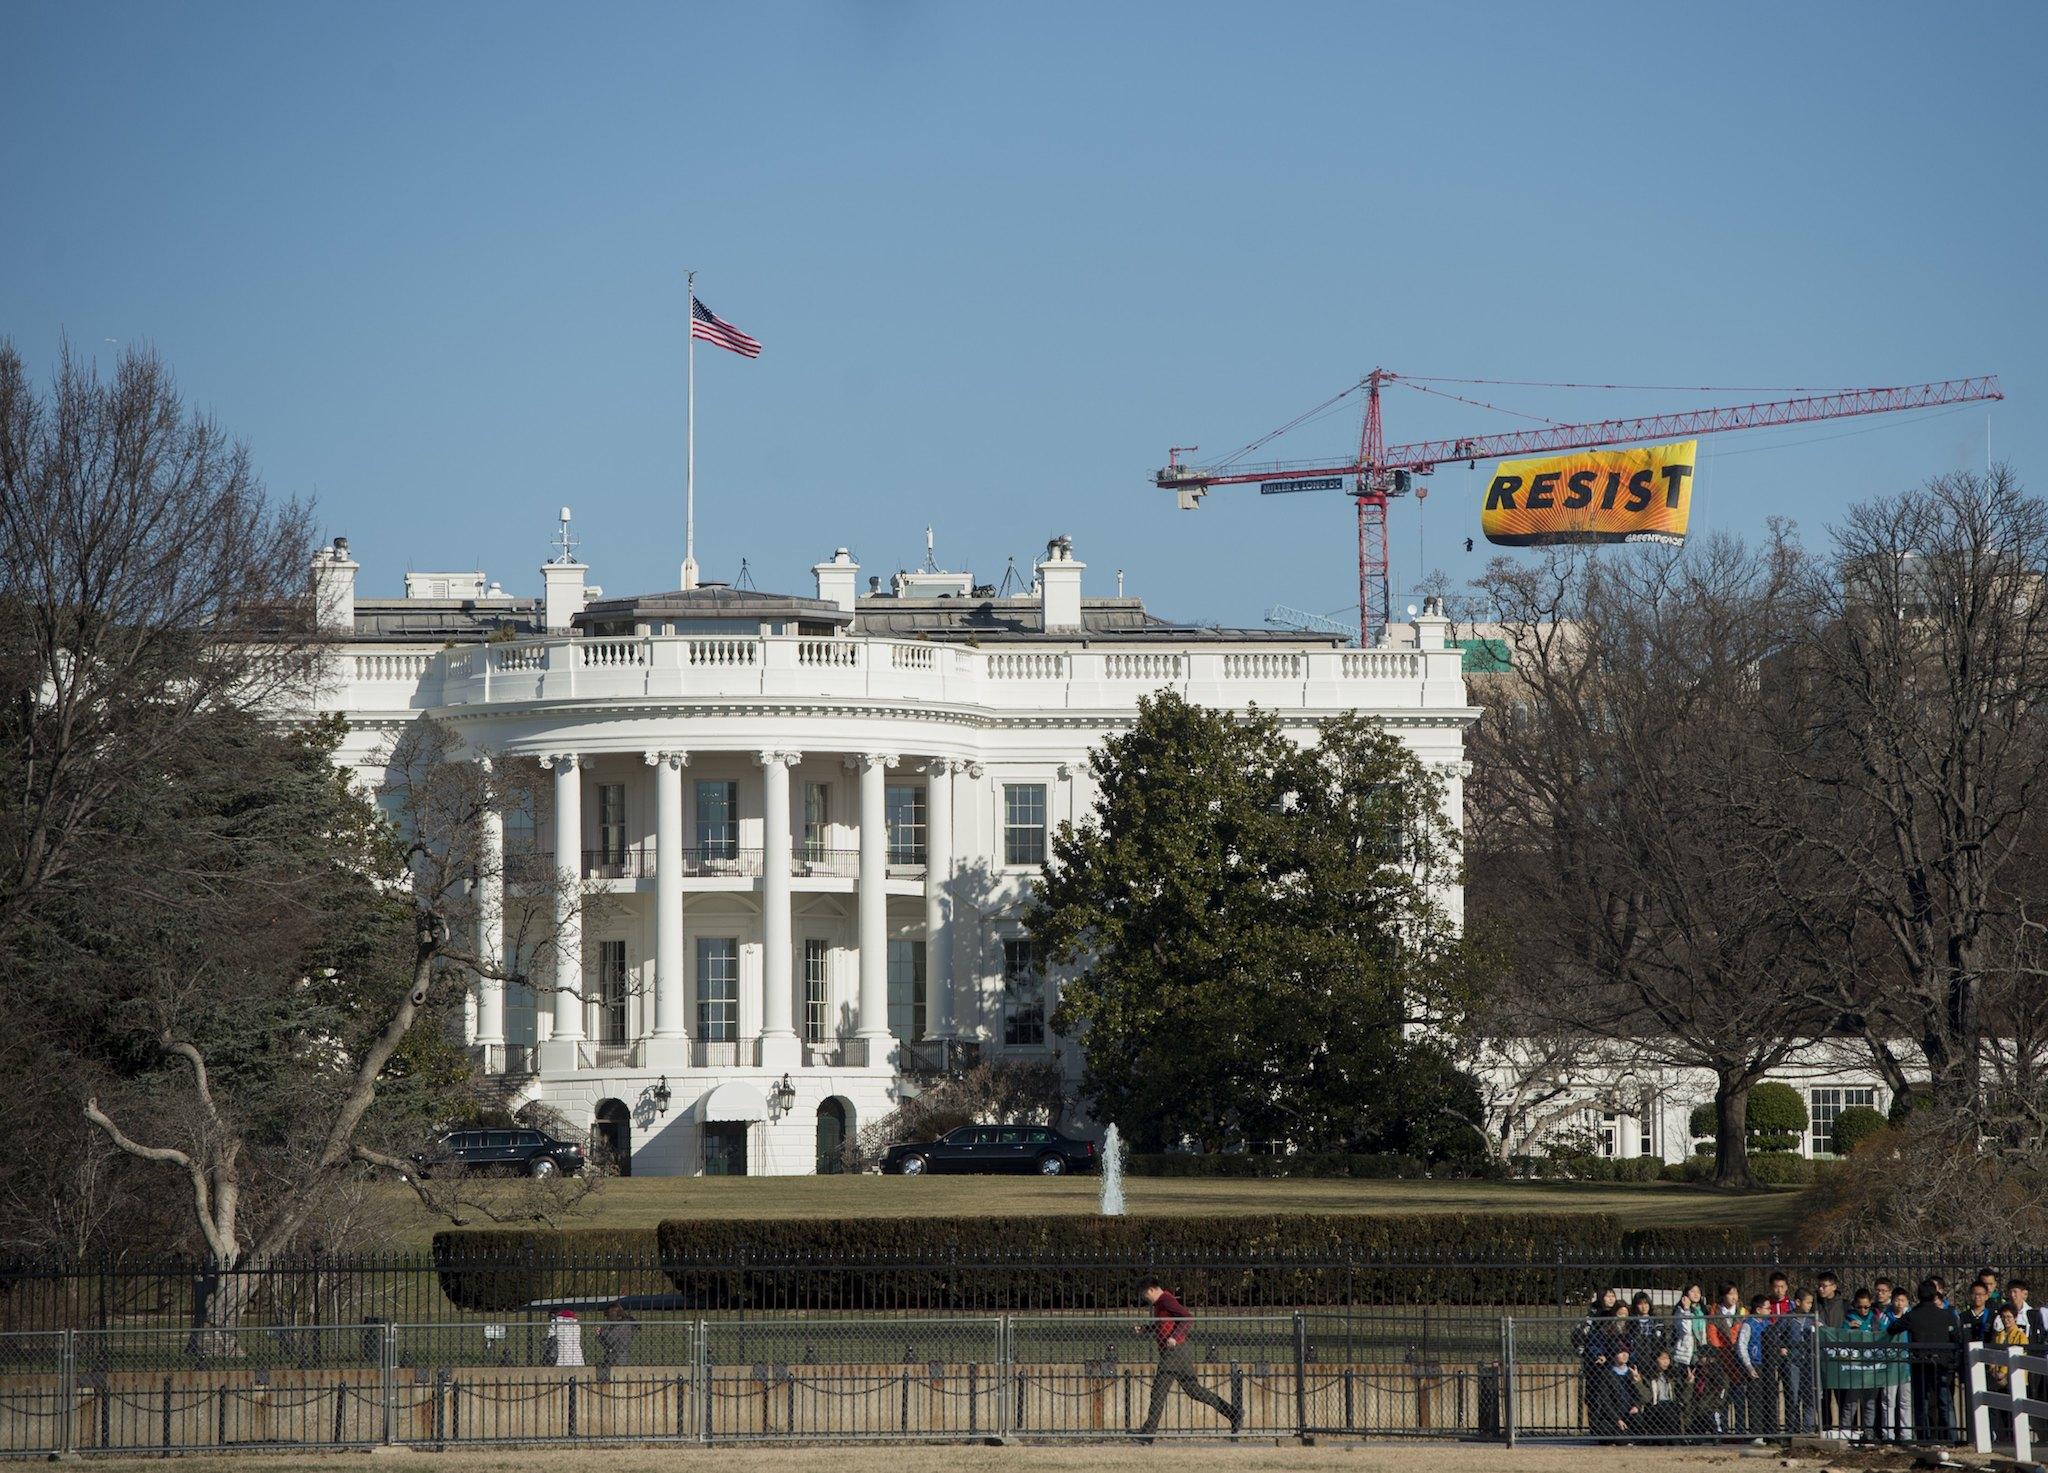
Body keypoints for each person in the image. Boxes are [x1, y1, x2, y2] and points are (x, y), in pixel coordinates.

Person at [1134, 1278, 1241, 1437]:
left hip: (1174, 1353)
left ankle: (1147, 1434)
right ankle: (1233, 1413)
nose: (1144, 1299)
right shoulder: (1161, 1304)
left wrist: (1175, 1337)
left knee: (1158, 1392)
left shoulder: (1166, 1300)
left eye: (1144, 1295)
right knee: (1194, 1391)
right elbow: (1164, 1325)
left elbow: (1187, 1318)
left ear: (1150, 1290)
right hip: (1176, 1353)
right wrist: (1146, 1329)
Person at [1900, 1277, 1963, 1443]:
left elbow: (1893, 1328)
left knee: (1922, 1402)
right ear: (1935, 1295)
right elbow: (1956, 1337)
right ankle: (1952, 1438)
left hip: (1920, 1364)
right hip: (1942, 1363)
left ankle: (1924, 1438)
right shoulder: (1946, 1315)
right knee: (1945, 1402)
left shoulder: (1913, 1315)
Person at [1837, 1288, 1884, 1439]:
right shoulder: (1849, 1319)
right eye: (1859, 1307)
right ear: (1854, 1305)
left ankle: (1868, 1431)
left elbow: (1883, 1337)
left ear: (1870, 1304)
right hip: (1855, 1368)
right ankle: (1845, 1430)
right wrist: (1849, 1329)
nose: (1863, 1310)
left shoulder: (1875, 1319)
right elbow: (1840, 1338)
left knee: (1870, 1401)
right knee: (1851, 1401)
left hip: (1871, 1368)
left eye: (1866, 1307)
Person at [1876, 1287, 1914, 1441]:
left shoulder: (1911, 1316)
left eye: (1903, 1300)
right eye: (1897, 1300)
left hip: (1906, 1365)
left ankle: (1906, 1434)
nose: (1899, 1303)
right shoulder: (1885, 1317)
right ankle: (1888, 1435)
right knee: (1888, 1400)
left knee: (1905, 1401)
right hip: (1889, 1363)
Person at [1670, 1283, 1707, 1433]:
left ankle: (1695, 1428)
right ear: (1685, 1294)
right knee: (1685, 1393)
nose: (1696, 1294)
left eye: (1698, 1291)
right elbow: (1685, 1330)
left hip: (1698, 1356)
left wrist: (1704, 1353)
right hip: (1684, 1357)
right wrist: (1686, 1310)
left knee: (1698, 1393)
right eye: (1692, 1291)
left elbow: (1703, 1334)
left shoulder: (1701, 1312)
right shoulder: (1680, 1310)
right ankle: (1683, 1428)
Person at [1813, 1272, 1846, 1429]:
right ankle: (1825, 1427)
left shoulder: (1844, 1305)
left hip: (1840, 1354)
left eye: (1824, 1286)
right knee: (1824, 1393)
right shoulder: (1815, 1304)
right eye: (1819, 1285)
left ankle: (1847, 1428)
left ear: (1834, 1286)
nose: (1821, 1289)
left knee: (1842, 1393)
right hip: (1821, 1353)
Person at [1592, 1343, 1642, 1439]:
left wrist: (1636, 1405)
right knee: (1611, 1434)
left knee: (1638, 1426)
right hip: (1613, 1415)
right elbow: (1605, 1400)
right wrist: (1617, 1419)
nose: (1625, 1355)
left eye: (1626, 1352)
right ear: (1614, 1356)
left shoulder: (1632, 1372)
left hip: (1630, 1413)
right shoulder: (1607, 1374)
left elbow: (1640, 1396)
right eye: (1620, 1352)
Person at [1632, 1349, 1683, 1441]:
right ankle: (1674, 1437)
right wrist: (1638, 1381)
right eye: (1662, 1358)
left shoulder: (1673, 1376)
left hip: (1671, 1406)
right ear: (1655, 1360)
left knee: (1670, 1409)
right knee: (1665, 1409)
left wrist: (1689, 1383)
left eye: (1667, 1359)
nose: (1666, 1361)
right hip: (1655, 1407)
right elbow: (1647, 1397)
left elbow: (1682, 1398)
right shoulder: (1648, 1376)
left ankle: (1672, 1437)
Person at [595, 1300, 638, 1368]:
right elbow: (606, 1344)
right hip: (612, 1355)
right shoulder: (615, 1325)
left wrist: (601, 1333)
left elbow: (611, 1339)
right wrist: (600, 1335)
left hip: (619, 1357)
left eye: (608, 1315)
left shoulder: (624, 1325)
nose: (607, 1318)